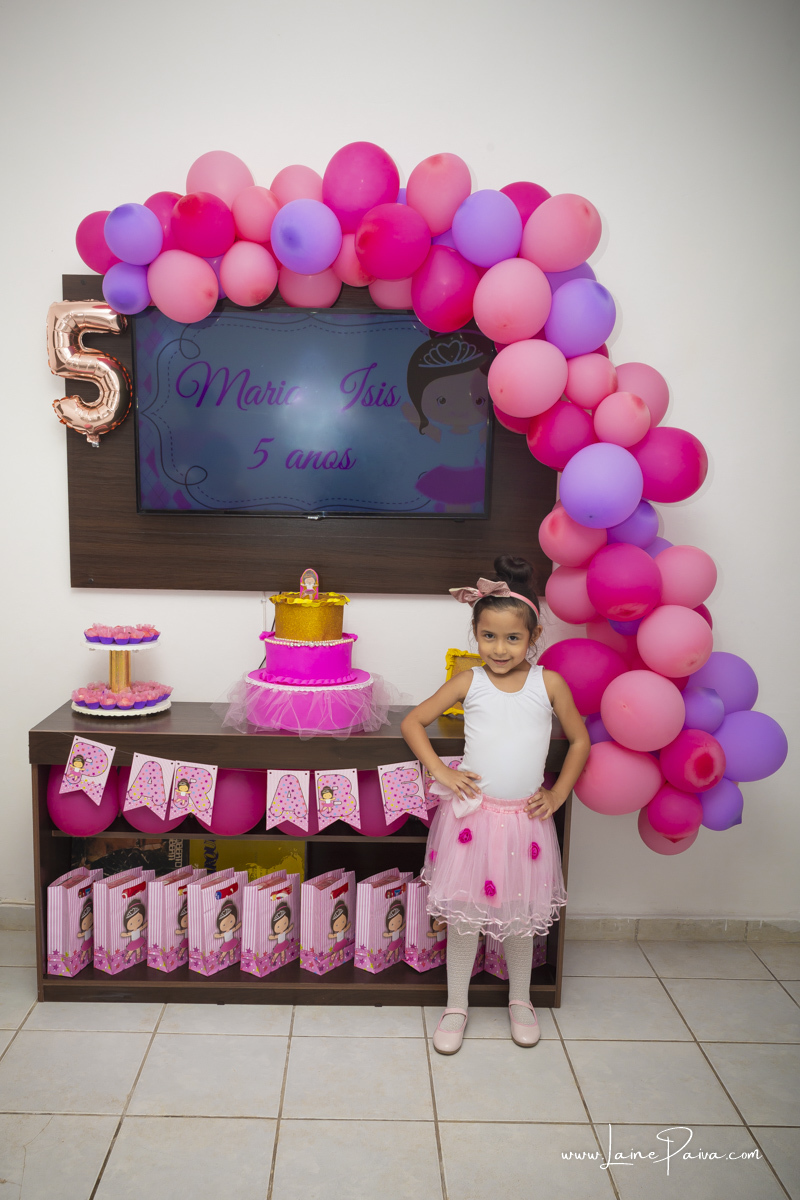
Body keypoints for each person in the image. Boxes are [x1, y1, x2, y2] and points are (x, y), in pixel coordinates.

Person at [401, 555, 590, 1055]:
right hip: (472, 822)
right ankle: (456, 1004)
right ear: (475, 634)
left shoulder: (548, 684)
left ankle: (521, 1001)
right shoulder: (469, 680)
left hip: (524, 824)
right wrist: (441, 771)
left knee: (519, 918)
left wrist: (558, 793)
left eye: (512, 638)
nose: (499, 648)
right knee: (463, 918)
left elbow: (579, 742)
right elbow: (413, 723)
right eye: (488, 636)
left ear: (534, 635)